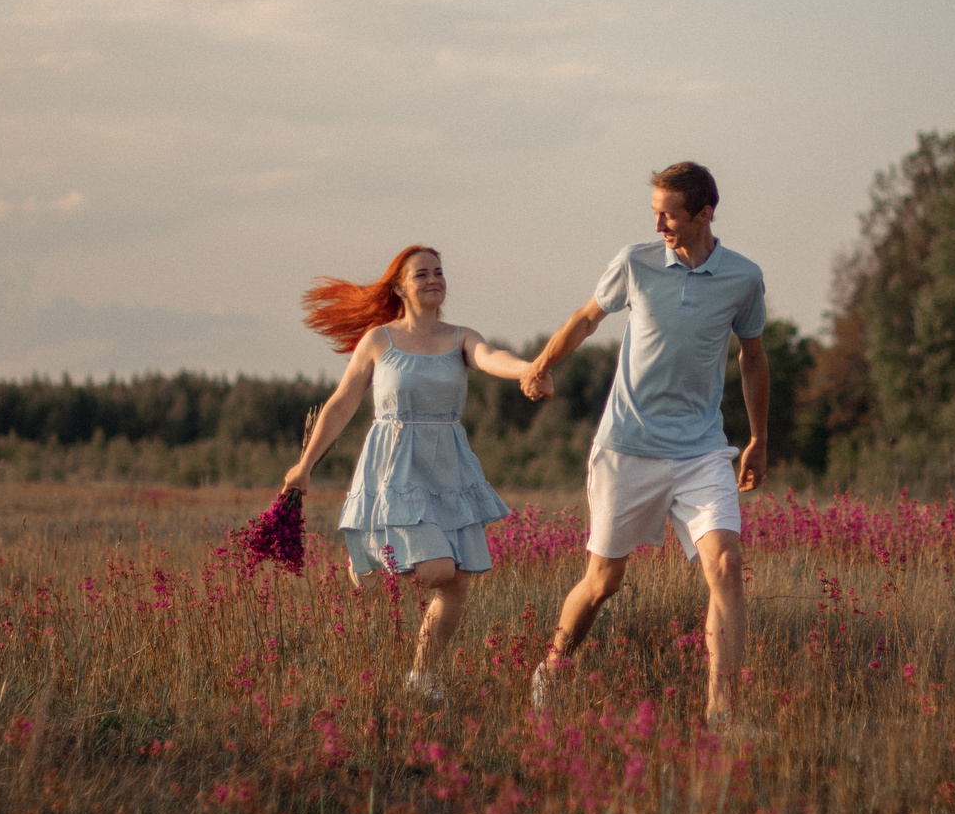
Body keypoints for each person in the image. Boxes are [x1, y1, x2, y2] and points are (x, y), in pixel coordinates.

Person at [520, 162, 770, 728]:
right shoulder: (635, 262)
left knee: (727, 566)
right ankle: (552, 667)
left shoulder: (744, 278)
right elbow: (587, 319)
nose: (657, 224)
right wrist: (541, 364)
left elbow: (752, 357)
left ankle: (722, 713)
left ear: (705, 213)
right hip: (627, 447)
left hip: (702, 451)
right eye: (655, 212)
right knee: (603, 581)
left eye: (669, 215)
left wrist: (757, 437)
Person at [283, 245, 532, 706]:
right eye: (422, 274)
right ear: (400, 287)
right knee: (438, 569)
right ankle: (374, 547)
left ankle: (422, 676)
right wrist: (306, 465)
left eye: (439, 272)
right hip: (395, 465)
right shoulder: (379, 340)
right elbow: (341, 404)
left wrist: (528, 370)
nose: (434, 279)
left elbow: (491, 356)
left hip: (448, 465)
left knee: (458, 580)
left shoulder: (461, 338)